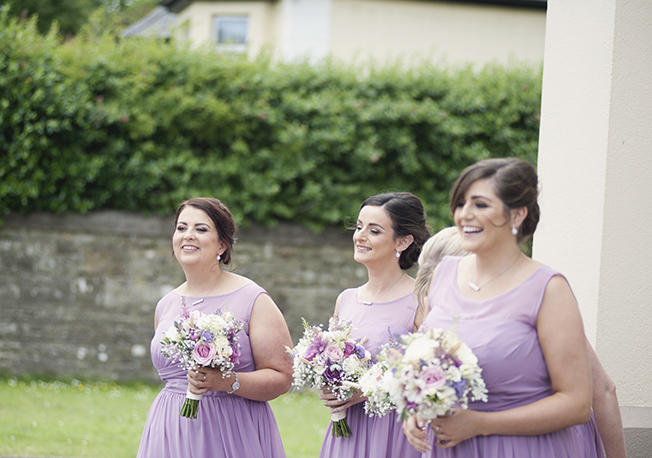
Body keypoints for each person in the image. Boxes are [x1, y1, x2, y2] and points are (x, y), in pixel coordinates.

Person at [403, 158, 604, 457]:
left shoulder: (547, 288)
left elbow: (576, 405)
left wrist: (481, 423)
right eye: (460, 204)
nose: (464, 215)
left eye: (480, 205)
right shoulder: (444, 274)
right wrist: (417, 409)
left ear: (517, 215)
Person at [136, 197, 293, 458]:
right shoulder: (166, 304)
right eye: (181, 227)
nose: (188, 235)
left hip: (230, 431)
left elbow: (282, 377)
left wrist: (226, 381)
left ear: (222, 244)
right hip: (170, 428)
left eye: (201, 229)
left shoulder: (252, 298)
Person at [317, 192, 431, 458]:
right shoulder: (345, 299)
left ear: (402, 241)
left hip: (394, 433)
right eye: (359, 227)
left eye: (374, 230)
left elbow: (426, 374)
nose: (360, 236)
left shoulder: (420, 300)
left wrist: (367, 391)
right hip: (347, 428)